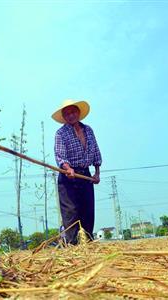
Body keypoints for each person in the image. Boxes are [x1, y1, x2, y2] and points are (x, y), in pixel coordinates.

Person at [52, 99, 102, 244]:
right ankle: (72, 246)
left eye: (73, 112)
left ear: (79, 113)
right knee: (71, 213)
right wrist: (68, 169)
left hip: (85, 176)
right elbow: (60, 156)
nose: (71, 115)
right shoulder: (60, 133)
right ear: (64, 117)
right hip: (68, 178)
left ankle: (88, 244)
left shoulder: (88, 131)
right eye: (67, 114)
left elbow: (96, 153)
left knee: (87, 212)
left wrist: (97, 173)